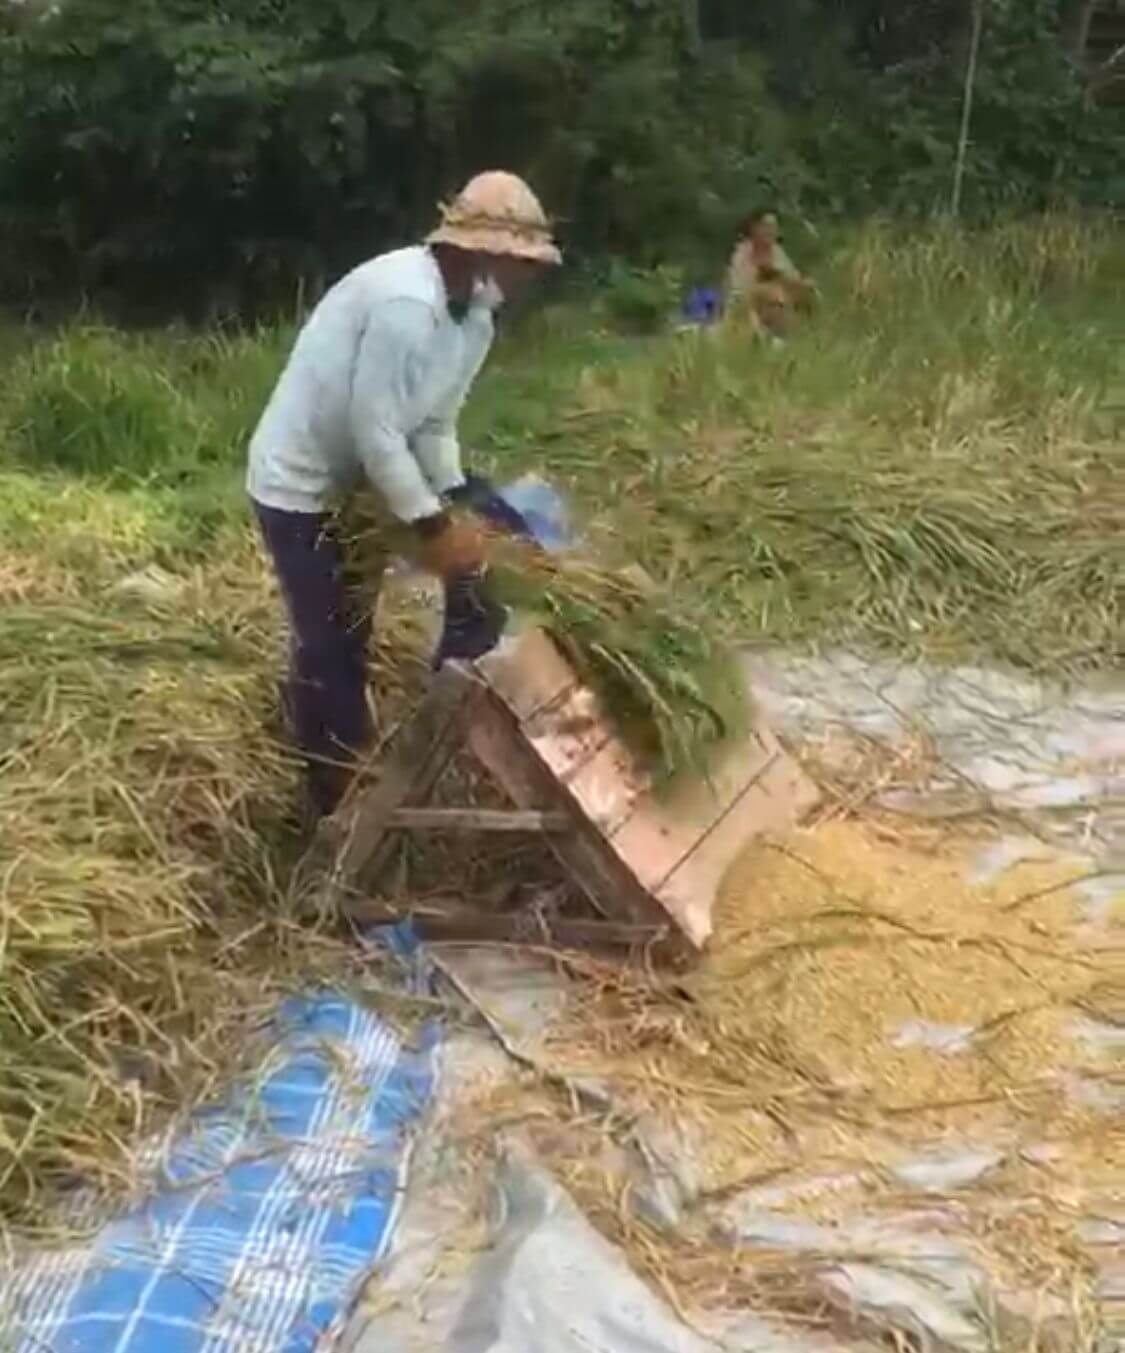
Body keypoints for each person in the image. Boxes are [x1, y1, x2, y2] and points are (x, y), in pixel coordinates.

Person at [247, 171, 562, 820]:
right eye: (518, 261)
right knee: (331, 639)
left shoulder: (474, 317)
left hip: (371, 475)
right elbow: (376, 430)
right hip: (302, 484)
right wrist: (432, 524)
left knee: (500, 546)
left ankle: (444, 710)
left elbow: (433, 425)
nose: (526, 275)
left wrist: (456, 502)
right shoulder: (404, 302)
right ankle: (330, 799)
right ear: (479, 251)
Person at [725, 208, 815, 339]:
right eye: (766, 226)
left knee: (805, 292)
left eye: (774, 227)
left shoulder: (778, 252)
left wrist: (801, 284)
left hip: (779, 303)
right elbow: (740, 288)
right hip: (752, 305)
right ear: (754, 229)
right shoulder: (742, 253)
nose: (771, 231)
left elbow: (792, 277)